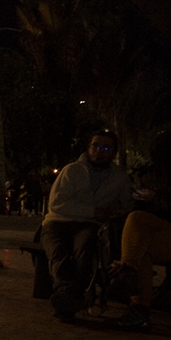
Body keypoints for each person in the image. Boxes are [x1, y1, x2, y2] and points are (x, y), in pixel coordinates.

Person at [42, 130, 132, 321]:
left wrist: (118, 209)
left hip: (89, 225)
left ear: (113, 152)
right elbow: (57, 203)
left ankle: (67, 299)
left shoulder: (120, 178)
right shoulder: (72, 171)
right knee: (59, 254)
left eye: (106, 148)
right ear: (88, 148)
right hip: (58, 222)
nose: (99, 151)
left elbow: (127, 203)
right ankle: (68, 296)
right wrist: (94, 211)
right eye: (95, 146)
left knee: (85, 250)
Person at [108, 130, 169, 331]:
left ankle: (127, 275)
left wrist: (156, 198)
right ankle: (130, 278)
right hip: (165, 229)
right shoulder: (157, 176)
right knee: (138, 236)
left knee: (139, 242)